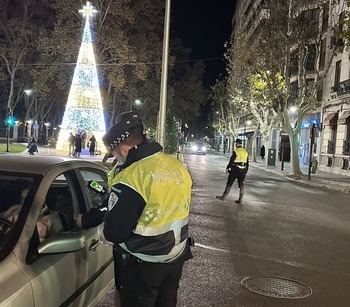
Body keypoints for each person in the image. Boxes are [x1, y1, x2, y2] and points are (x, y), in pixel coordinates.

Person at [96, 111, 193, 307]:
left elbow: (115, 232)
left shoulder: (133, 176)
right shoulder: (176, 165)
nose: (115, 159)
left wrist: (102, 230)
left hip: (143, 262)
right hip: (176, 256)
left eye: (114, 154)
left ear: (123, 149)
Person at [216, 138, 249, 204]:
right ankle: (240, 199)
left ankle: (224, 197)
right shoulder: (245, 151)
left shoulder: (236, 151)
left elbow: (232, 160)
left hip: (235, 169)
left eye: (235, 143)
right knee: (241, 185)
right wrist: (246, 170)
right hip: (243, 170)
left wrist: (228, 168)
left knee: (230, 183)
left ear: (236, 143)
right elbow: (247, 163)